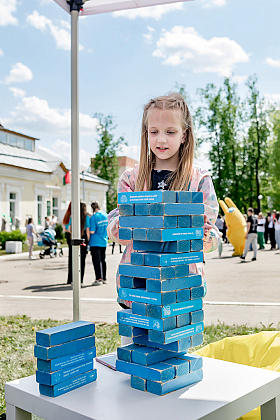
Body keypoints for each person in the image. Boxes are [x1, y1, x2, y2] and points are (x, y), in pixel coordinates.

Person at [107, 92, 219, 309]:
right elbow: (117, 231)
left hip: (181, 286)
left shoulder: (199, 181)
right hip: (137, 286)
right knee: (133, 340)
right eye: (154, 131)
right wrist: (120, 225)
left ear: (184, 135)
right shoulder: (130, 178)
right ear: (146, 134)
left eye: (170, 132)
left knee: (178, 343)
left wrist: (205, 235)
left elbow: (212, 237)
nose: (161, 139)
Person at [63, 202, 90, 286]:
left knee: (72, 259)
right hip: (83, 238)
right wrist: (88, 241)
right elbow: (88, 230)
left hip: (74, 238)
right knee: (82, 261)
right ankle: (80, 280)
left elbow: (70, 228)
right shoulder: (87, 217)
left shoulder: (73, 216)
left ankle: (71, 279)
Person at [89, 201, 108, 286]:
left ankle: (98, 278)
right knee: (103, 260)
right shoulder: (106, 215)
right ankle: (104, 278)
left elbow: (92, 231)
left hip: (95, 241)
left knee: (96, 261)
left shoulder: (93, 217)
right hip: (104, 240)